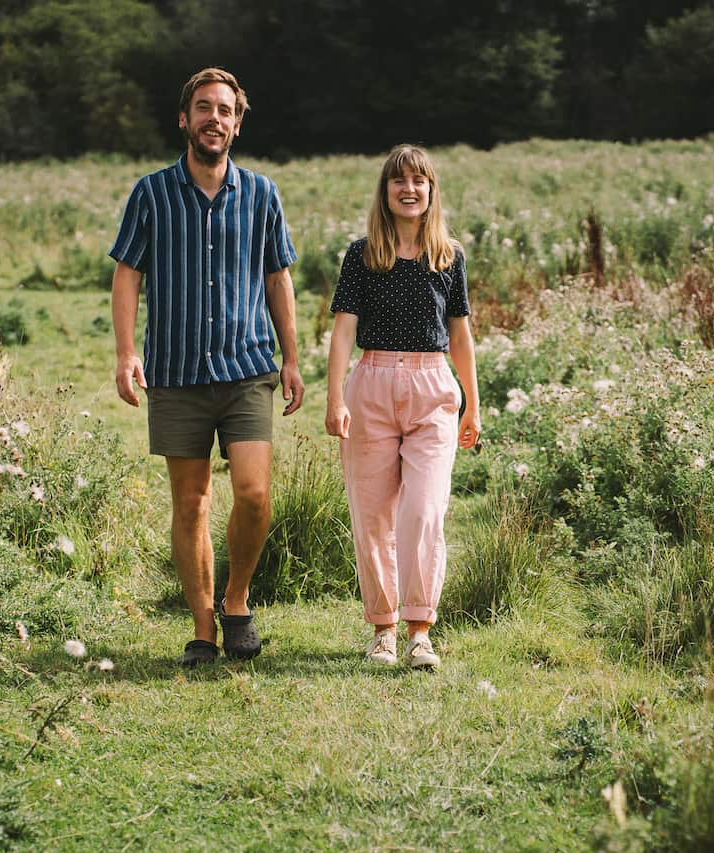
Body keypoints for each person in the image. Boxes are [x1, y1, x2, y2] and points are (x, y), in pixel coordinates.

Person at [110, 67, 304, 666]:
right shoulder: (150, 193)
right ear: (183, 119)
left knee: (252, 492)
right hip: (175, 371)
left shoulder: (263, 194)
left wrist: (292, 357)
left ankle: (237, 600)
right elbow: (127, 275)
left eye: (224, 110)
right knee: (190, 501)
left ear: (237, 123)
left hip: (248, 367)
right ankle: (202, 628)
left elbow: (278, 277)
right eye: (203, 108)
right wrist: (125, 353)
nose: (213, 118)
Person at [325, 144, 481, 670]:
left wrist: (472, 405)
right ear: (385, 191)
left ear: (431, 190)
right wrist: (333, 397)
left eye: (419, 180)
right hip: (370, 384)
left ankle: (421, 631)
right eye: (399, 181)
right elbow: (344, 327)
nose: (409, 189)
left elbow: (461, 336)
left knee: (424, 509)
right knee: (372, 517)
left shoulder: (449, 256)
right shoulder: (362, 253)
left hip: (434, 387)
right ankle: (384, 631)